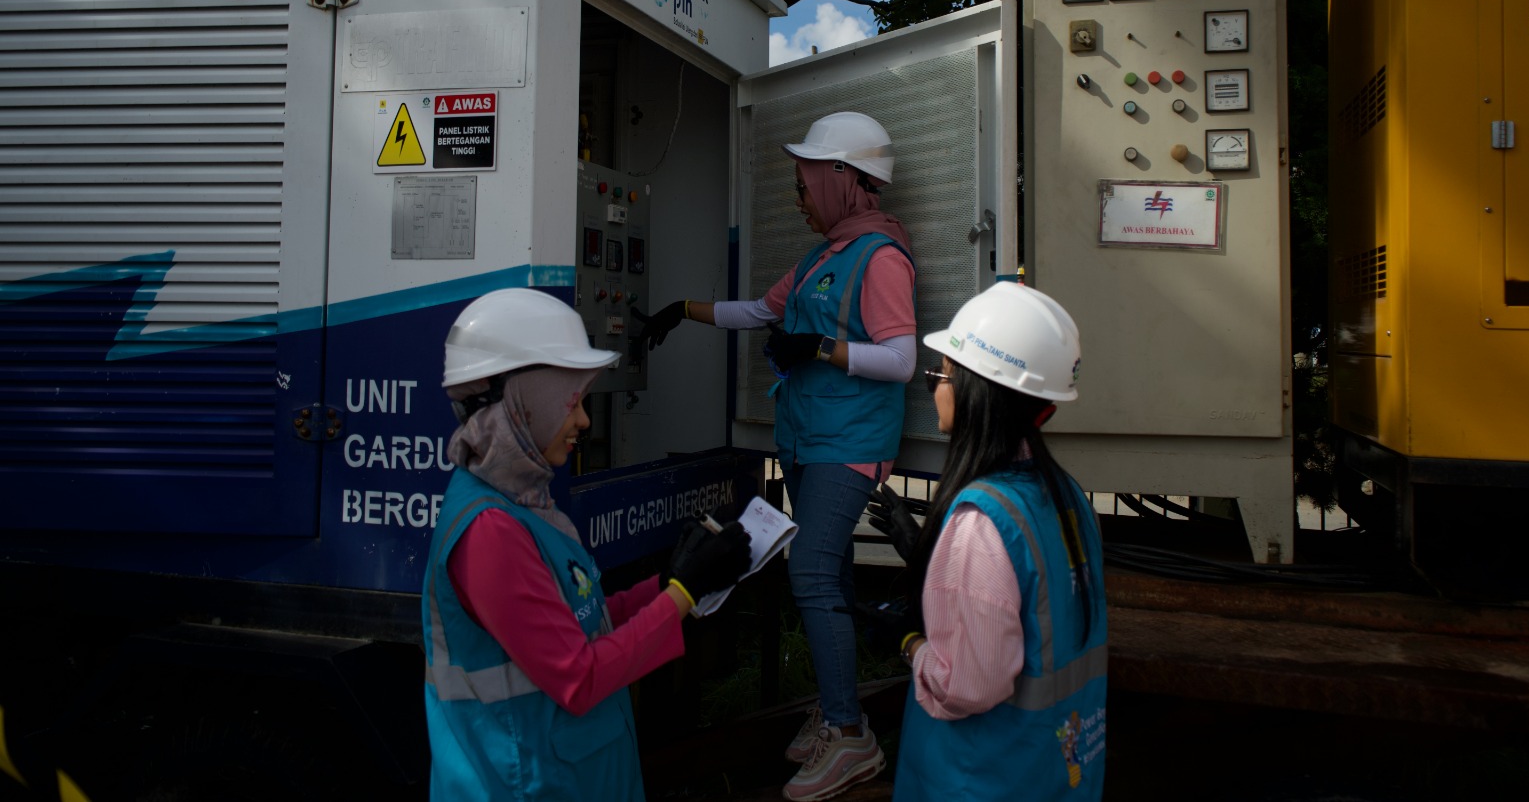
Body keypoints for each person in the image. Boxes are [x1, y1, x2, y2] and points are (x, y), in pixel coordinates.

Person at [633, 111, 916, 801]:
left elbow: (903, 358)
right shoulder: (824, 255)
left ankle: (851, 737)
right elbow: (760, 311)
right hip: (807, 438)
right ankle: (836, 701)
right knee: (834, 574)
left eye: (805, 180)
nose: (798, 195)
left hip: (848, 443)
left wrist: (822, 348)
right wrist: (684, 311)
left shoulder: (879, 257)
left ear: (844, 179)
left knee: (812, 572)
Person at [422, 288, 753, 801]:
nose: (584, 422)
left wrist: (670, 582)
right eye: (571, 403)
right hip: (528, 786)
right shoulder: (490, 530)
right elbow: (576, 677)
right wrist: (681, 596)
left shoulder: (521, 503)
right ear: (523, 405)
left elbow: (582, 616)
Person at [867, 282, 1108, 800]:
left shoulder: (981, 522)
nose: (935, 387)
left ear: (979, 390)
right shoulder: (1066, 496)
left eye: (942, 374)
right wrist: (929, 556)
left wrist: (908, 642)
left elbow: (968, 686)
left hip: (981, 778)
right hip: (1056, 770)